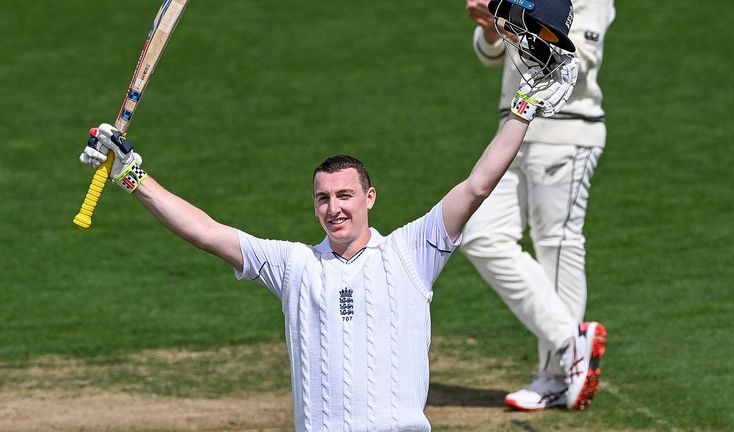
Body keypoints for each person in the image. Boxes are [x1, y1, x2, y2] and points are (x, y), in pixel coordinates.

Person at [78, 4, 588, 429]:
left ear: (370, 198)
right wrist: (131, 176)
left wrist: (523, 109)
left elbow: (477, 186)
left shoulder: (412, 252)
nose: (334, 208)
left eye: (345, 196)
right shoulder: (296, 267)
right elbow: (206, 232)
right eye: (323, 199)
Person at [463, 0, 615, 411]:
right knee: (480, 235)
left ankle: (554, 376)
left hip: (566, 132)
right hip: (513, 127)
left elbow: (575, 62)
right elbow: (490, 54)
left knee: (557, 244)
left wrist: (515, 23)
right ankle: (571, 345)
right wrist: (492, 25)